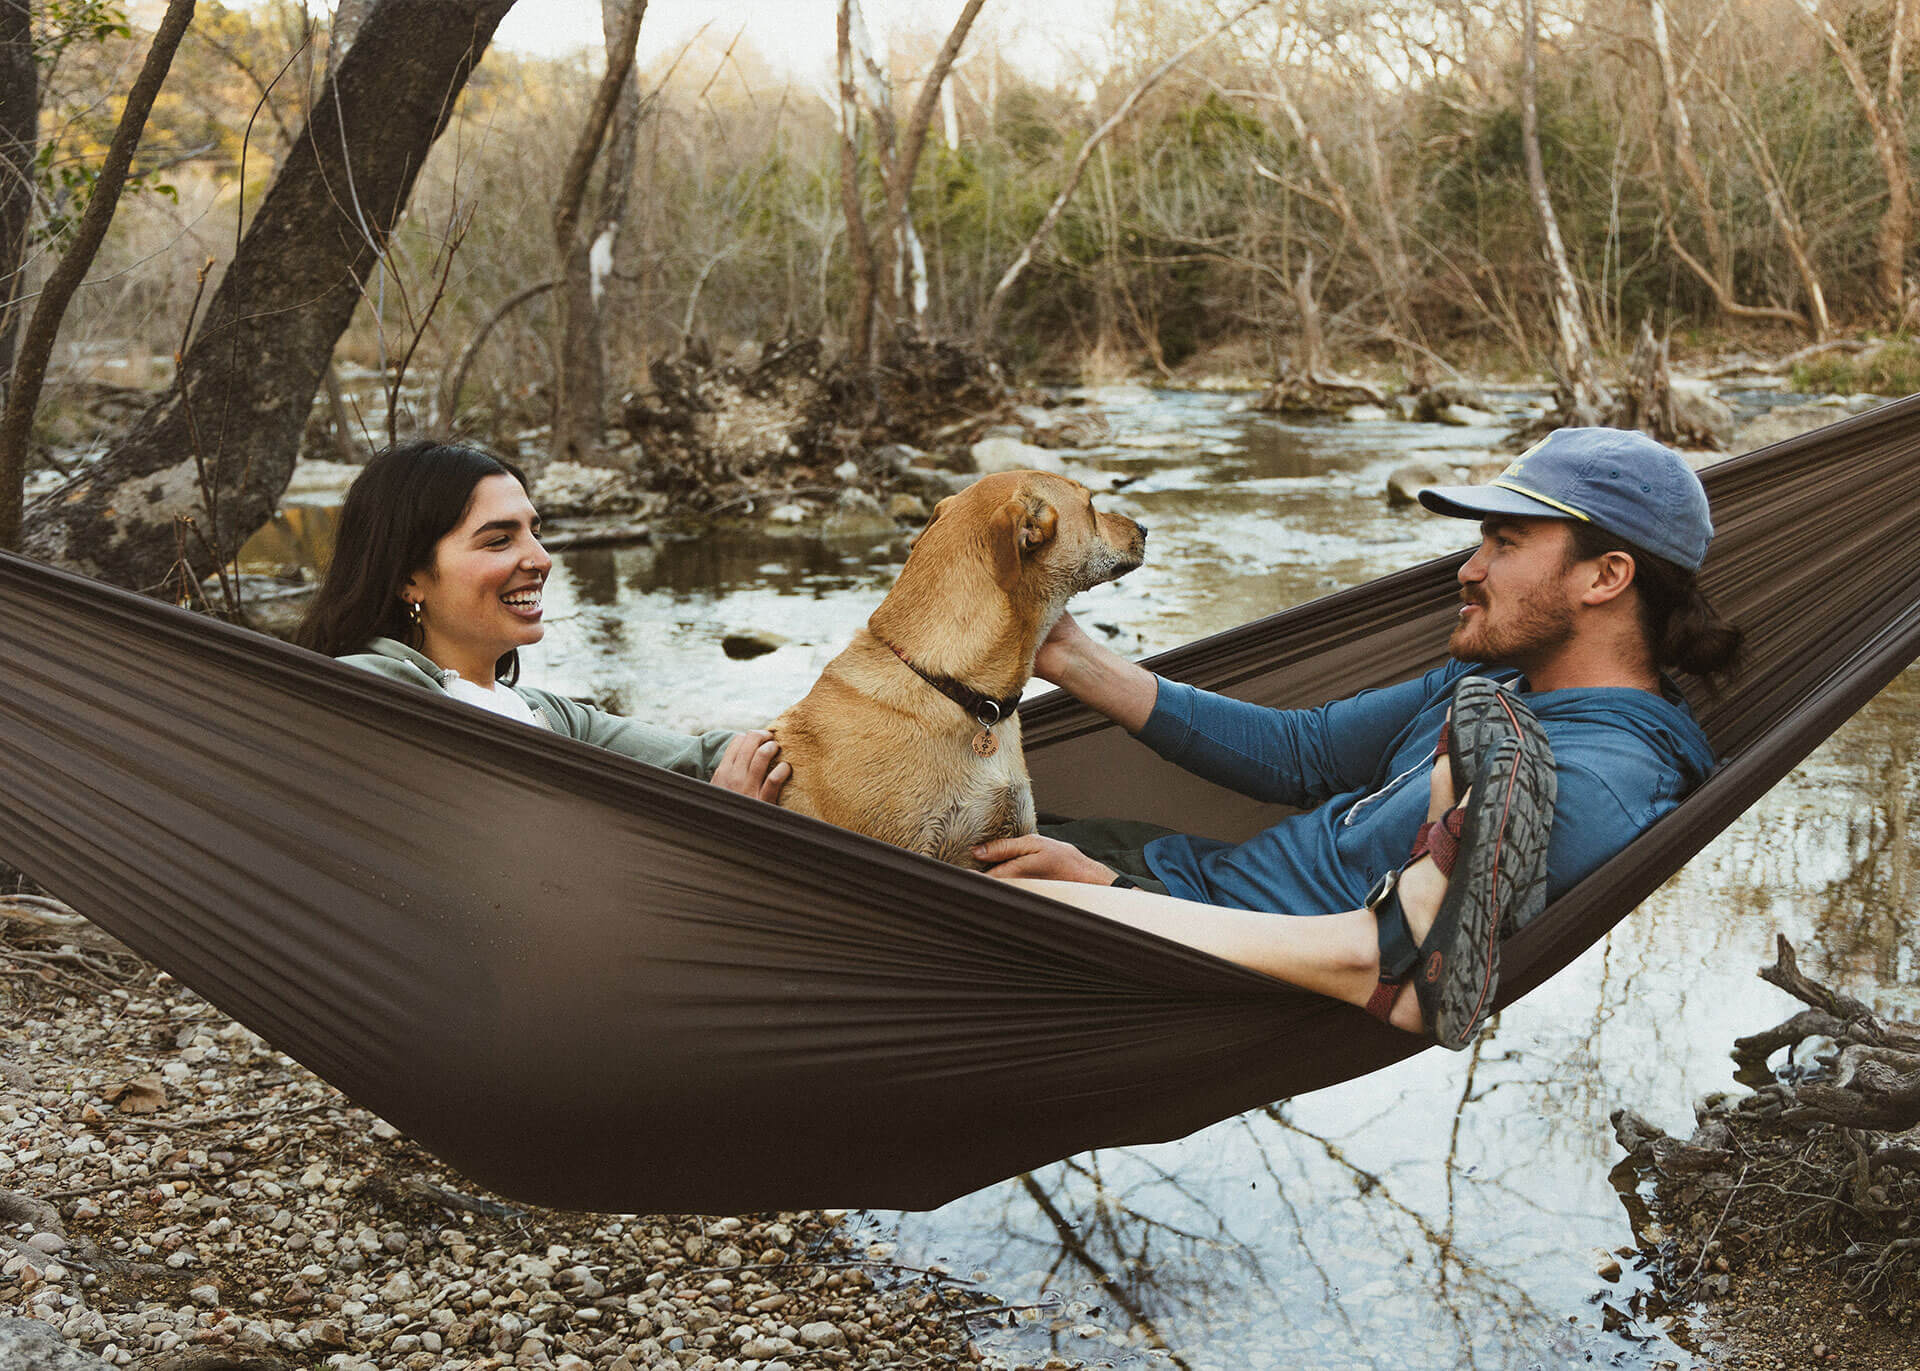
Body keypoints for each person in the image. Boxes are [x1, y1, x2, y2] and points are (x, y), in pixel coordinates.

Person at [974, 427, 1744, 1047]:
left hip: (1185, 955)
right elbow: (1303, 753)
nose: (1468, 569)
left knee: (894, 901)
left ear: (1605, 577)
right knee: (895, 822)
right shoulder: (1501, 679)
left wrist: (1104, 896)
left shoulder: (1596, 782)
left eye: (1505, 543)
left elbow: (1383, 959)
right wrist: (1069, 653)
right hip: (1167, 870)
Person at [295, 439, 789, 802]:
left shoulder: (549, 716)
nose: (541, 558)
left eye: (534, 532)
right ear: (409, 578)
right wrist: (721, 824)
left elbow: (709, 759)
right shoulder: (366, 689)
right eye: (498, 540)